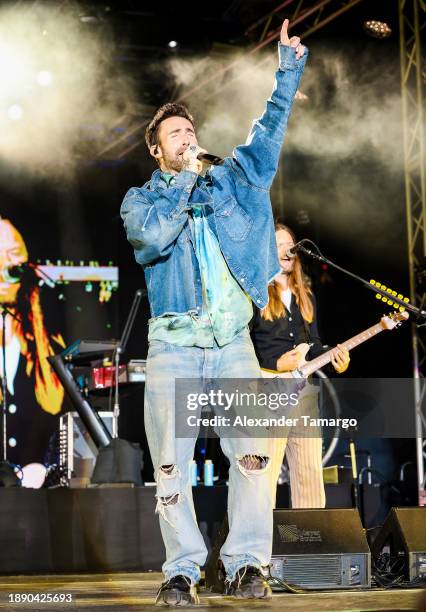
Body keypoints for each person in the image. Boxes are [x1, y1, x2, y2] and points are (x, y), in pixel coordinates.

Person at [121, 20, 307, 605]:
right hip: (173, 345)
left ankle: (248, 564)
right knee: (171, 469)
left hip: (232, 344)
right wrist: (181, 183)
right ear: (157, 150)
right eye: (174, 134)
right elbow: (151, 242)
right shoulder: (144, 199)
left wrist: (289, 72)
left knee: (252, 460)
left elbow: (268, 135)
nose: (186, 136)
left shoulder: (232, 181)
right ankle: (181, 569)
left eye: (190, 129)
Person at [250, 223, 350, 509]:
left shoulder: (306, 297)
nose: (287, 249)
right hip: (267, 391)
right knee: (264, 477)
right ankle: (257, 549)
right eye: (278, 244)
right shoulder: (253, 296)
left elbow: (314, 346)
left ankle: (311, 544)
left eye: (290, 244)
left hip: (304, 394)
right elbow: (240, 347)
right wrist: (276, 362)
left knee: (309, 475)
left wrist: (335, 360)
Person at [0, 218, 65, 466]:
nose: (5, 264)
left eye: (12, 254)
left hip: (33, 490)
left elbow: (55, 406)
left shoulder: (47, 342)